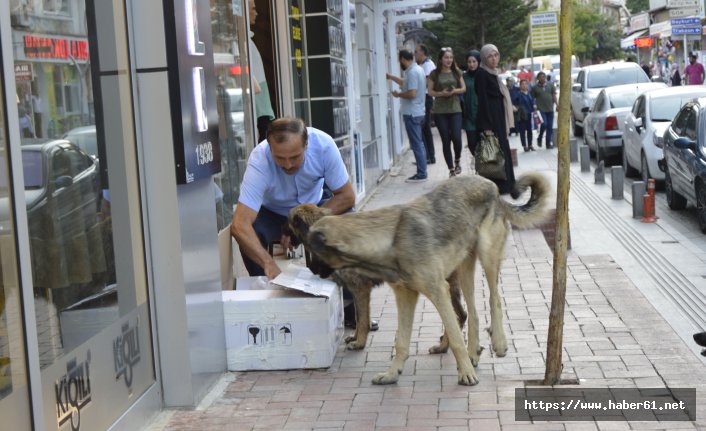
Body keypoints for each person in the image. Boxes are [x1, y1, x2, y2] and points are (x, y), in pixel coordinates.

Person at [230, 118, 372, 329]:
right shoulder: (259, 159)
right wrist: (268, 262)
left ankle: (352, 311)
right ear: (270, 149)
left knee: (347, 222)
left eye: (295, 157)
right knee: (253, 232)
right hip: (273, 212)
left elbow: (347, 196)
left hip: (313, 208)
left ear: (306, 145)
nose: (288, 164)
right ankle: (268, 307)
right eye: (280, 158)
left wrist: (302, 225)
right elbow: (239, 225)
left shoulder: (324, 145)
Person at [475, 44, 515, 194]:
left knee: (503, 149)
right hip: (490, 119)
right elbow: (483, 100)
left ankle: (508, 183)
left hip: (498, 116)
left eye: (495, 55)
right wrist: (487, 126)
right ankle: (498, 186)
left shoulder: (494, 73)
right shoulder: (481, 74)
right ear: (484, 58)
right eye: (490, 56)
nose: (493, 59)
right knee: (495, 153)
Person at [387, 49, 428, 183]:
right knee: (419, 143)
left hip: (412, 112)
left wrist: (398, 95)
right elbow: (405, 83)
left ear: (404, 59)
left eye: (400, 61)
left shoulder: (412, 72)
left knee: (416, 144)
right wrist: (391, 77)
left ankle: (422, 173)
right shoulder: (417, 70)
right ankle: (423, 170)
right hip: (418, 111)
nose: (400, 63)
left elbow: (412, 93)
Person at [427, 47, 466, 178]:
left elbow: (463, 88)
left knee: (456, 137)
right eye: (446, 57)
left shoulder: (457, 72)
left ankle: (458, 160)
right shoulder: (434, 74)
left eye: (450, 57)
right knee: (446, 140)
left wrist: (454, 91)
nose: (449, 60)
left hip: (455, 109)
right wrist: (441, 93)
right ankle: (451, 169)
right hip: (440, 111)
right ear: (440, 59)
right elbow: (430, 92)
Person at [248, 0, 275, 142]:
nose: (256, 13)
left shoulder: (249, 42)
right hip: (257, 108)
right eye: (253, 9)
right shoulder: (244, 44)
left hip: (261, 107)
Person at [414, 44, 436, 164]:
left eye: (416, 52)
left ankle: (429, 156)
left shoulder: (428, 65)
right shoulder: (421, 65)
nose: (414, 54)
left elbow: (427, 83)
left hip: (426, 97)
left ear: (422, 52)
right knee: (424, 128)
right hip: (423, 97)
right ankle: (427, 156)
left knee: (424, 128)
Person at [531, 71, 558, 149]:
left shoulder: (550, 85)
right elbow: (532, 98)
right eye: (540, 77)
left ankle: (548, 143)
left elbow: (554, 95)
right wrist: (534, 106)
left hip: (550, 109)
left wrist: (557, 104)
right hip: (541, 109)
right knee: (544, 124)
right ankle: (540, 138)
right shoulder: (535, 87)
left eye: (543, 77)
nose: (542, 78)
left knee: (549, 126)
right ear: (538, 78)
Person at [462, 50, 481, 155]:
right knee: (472, 144)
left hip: (482, 115)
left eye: (474, 61)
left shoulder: (482, 75)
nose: (471, 64)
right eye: (469, 62)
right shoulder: (463, 77)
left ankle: (484, 168)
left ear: (478, 61)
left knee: (484, 143)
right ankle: (479, 162)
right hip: (469, 115)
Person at [512, 79, 536, 152]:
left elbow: (532, 102)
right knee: (522, 131)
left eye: (526, 84)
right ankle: (524, 145)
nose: (524, 85)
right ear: (520, 86)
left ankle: (530, 145)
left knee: (530, 130)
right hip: (522, 116)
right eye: (523, 84)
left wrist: (534, 106)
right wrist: (514, 108)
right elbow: (513, 103)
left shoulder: (529, 93)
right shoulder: (518, 94)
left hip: (529, 114)